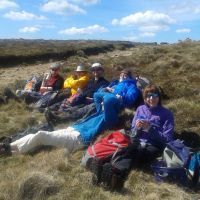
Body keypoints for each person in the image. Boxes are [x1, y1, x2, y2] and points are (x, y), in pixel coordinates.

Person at [0, 70, 140, 156]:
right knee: (36, 135)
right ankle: (9, 148)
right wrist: (105, 94)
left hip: (77, 140)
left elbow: (108, 101)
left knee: (41, 135)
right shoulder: (99, 112)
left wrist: (113, 96)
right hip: (72, 130)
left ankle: (9, 150)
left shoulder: (110, 119)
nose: (102, 103)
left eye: (105, 105)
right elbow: (98, 95)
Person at [45, 62, 109, 125]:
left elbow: (100, 96)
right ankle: (50, 111)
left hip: (90, 101)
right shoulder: (90, 81)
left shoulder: (105, 83)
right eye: (94, 69)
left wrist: (89, 98)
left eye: (98, 69)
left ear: (102, 71)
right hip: (81, 97)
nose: (95, 71)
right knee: (66, 101)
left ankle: (59, 118)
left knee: (75, 110)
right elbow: (84, 90)